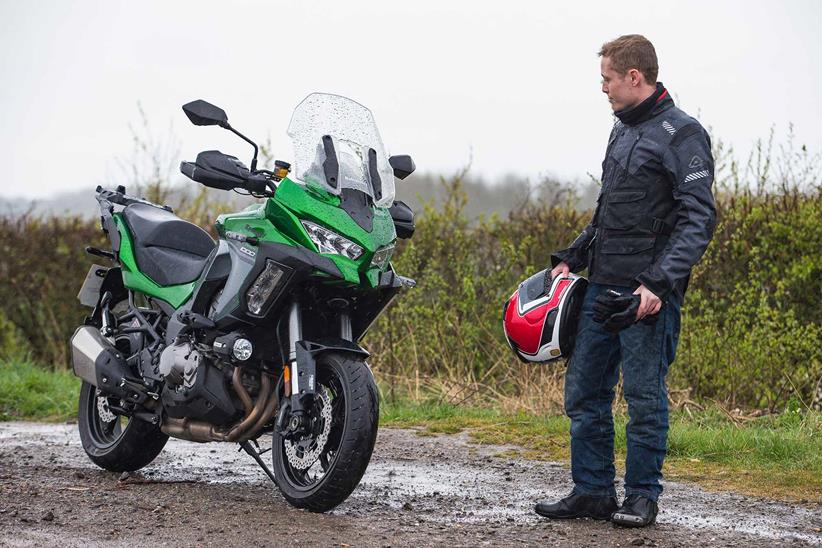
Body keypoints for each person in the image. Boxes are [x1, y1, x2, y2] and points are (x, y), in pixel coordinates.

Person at [534, 34, 716, 527]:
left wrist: (657, 286)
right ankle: (592, 491)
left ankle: (641, 497)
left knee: (643, 396)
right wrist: (574, 254)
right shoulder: (621, 131)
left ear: (635, 77)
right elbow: (608, 210)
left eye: (607, 79)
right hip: (601, 290)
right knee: (584, 393)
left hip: (646, 296)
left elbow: (698, 219)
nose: (603, 89)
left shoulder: (684, 135)